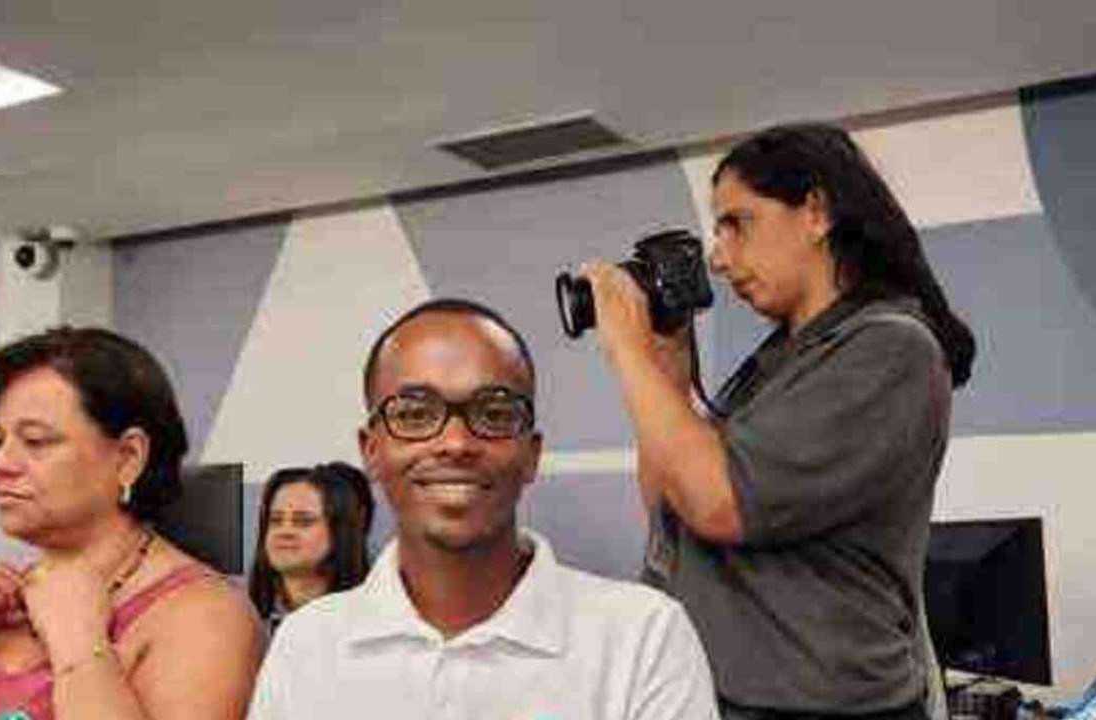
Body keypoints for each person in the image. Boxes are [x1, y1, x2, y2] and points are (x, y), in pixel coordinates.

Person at [582, 123, 976, 720]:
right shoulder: (778, 361)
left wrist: (627, 350)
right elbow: (673, 501)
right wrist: (664, 370)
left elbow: (719, 502)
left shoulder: (892, 350)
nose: (718, 258)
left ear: (816, 212)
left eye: (737, 223)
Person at [248, 299, 718, 719]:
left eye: (494, 414)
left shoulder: (642, 638)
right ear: (372, 451)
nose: (454, 443)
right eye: (414, 415)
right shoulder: (307, 645)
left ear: (532, 454)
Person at [0, 327, 262, 720]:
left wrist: (80, 644)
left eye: (35, 441)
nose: (1, 465)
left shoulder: (207, 618)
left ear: (127, 457)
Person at [247, 462, 374, 637]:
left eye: (304, 522)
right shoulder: (241, 619)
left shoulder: (373, 623)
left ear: (339, 532)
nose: (285, 531)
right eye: (275, 520)